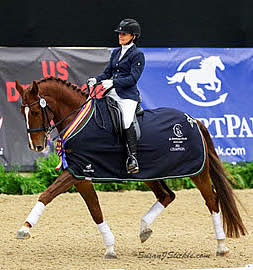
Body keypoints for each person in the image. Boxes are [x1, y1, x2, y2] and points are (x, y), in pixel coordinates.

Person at [88, 18, 145, 174]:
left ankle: (133, 158)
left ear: (133, 36)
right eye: (119, 33)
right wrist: (97, 79)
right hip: (111, 92)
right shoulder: (116, 52)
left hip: (127, 95)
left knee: (126, 121)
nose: (120, 36)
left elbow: (133, 78)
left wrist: (113, 83)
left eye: (124, 34)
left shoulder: (138, 55)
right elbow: (108, 72)